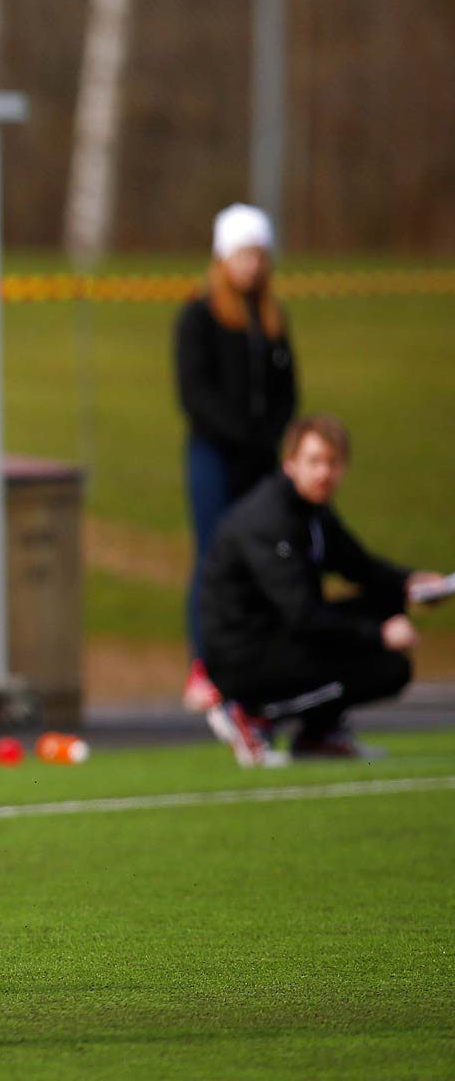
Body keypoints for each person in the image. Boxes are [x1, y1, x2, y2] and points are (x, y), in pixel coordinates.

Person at [200, 414, 441, 767]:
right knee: (388, 667)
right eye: (314, 461)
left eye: (333, 463)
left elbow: (360, 567)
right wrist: (378, 633)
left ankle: (318, 735)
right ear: (290, 463)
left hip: (282, 634)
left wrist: (413, 583)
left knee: (387, 600)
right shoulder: (269, 519)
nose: (324, 473)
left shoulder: (313, 512)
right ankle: (248, 712)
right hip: (243, 655)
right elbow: (302, 614)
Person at [176, 203, 298, 711]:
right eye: (244, 255)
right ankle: (205, 666)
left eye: (259, 256)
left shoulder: (269, 321)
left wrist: (269, 438)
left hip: (261, 459)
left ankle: (257, 664)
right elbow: (195, 393)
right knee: (214, 556)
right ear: (223, 258)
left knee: (265, 559)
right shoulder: (199, 316)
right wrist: (241, 436)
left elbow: (287, 391)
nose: (252, 266)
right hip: (214, 456)